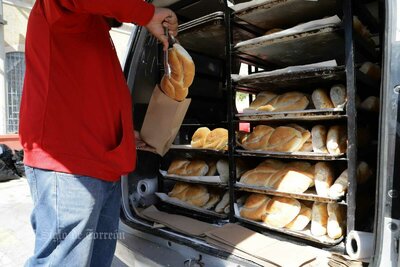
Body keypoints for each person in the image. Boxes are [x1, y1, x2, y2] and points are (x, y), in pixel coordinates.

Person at [19, 1, 177, 266]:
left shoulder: (95, 32)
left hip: (104, 167)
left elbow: (95, 98)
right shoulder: (55, 9)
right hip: (68, 166)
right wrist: (146, 14)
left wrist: (127, 135)